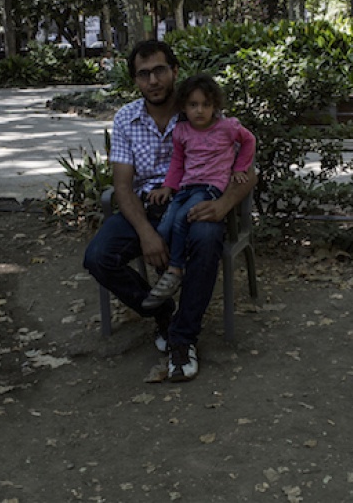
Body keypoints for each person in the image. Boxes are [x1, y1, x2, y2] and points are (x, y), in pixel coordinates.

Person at [83, 40, 256, 382]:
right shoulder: (126, 119)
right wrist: (147, 234)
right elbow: (122, 187)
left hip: (199, 201)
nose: (153, 80)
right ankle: (164, 311)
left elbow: (248, 171)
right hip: (147, 207)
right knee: (98, 257)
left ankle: (182, 339)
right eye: (143, 74)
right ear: (135, 80)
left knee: (206, 238)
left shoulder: (198, 106)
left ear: (175, 71)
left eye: (160, 70)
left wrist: (223, 205)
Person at [141, 74, 256, 309]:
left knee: (183, 219)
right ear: (183, 106)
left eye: (206, 104)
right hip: (186, 188)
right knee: (164, 226)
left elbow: (249, 141)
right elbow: (177, 162)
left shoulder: (227, 127)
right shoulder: (181, 131)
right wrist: (168, 187)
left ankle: (175, 270)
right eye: (193, 105)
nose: (200, 110)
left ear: (215, 106)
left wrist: (239, 168)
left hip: (211, 188)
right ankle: (169, 274)